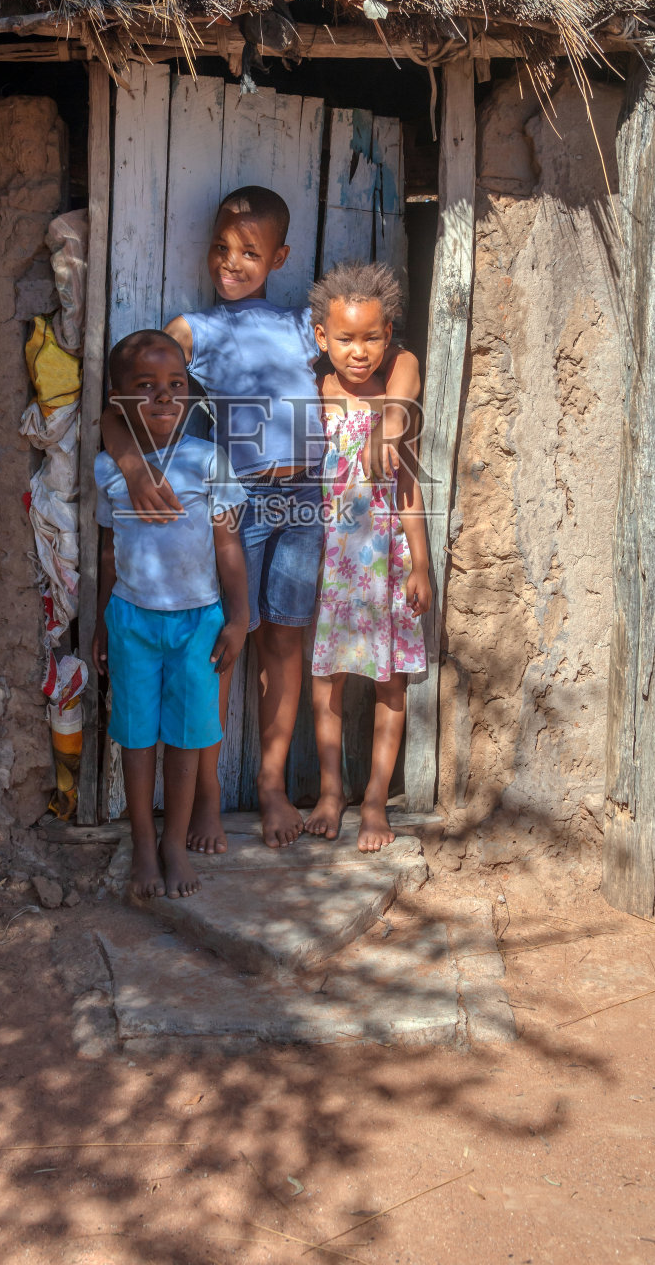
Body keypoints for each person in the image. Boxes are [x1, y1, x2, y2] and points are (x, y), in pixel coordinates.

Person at [100, 187, 421, 852]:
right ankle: (208, 801)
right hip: (240, 502)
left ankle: (271, 786)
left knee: (283, 642)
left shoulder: (301, 325)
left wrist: (393, 415)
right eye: (221, 247)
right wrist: (132, 468)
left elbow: (402, 358)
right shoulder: (195, 329)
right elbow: (119, 404)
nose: (231, 261)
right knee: (226, 643)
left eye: (249, 251)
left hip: (305, 501)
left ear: (278, 257)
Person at [91, 330, 249, 899]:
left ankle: (174, 843)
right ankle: (143, 843)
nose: (164, 396)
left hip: (197, 622)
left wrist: (238, 617)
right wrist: (102, 622)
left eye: (176, 384)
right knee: (136, 739)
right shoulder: (110, 469)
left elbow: (229, 545)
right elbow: (109, 552)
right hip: (132, 620)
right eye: (146, 386)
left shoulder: (207, 460)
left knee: (186, 739)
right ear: (118, 400)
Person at [304, 261, 431, 853]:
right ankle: (332, 792)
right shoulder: (316, 393)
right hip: (331, 560)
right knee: (326, 679)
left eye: (372, 338)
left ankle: (376, 800)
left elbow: (408, 487)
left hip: (385, 562)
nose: (359, 352)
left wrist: (421, 564)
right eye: (346, 339)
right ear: (322, 337)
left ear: (389, 336)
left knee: (390, 683)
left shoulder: (392, 398)